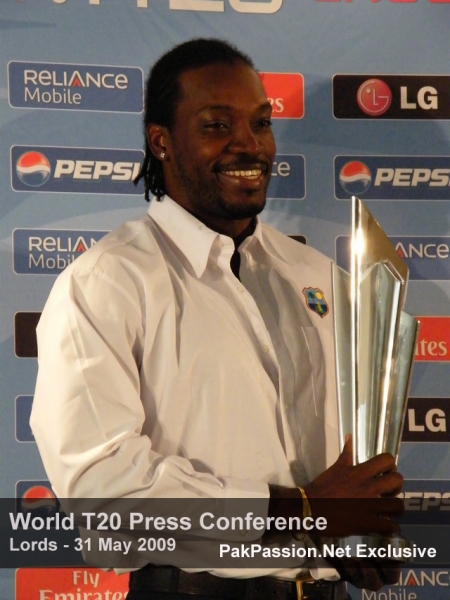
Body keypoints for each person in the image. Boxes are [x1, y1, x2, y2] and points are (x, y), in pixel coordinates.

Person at [31, 38, 404, 600]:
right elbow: (102, 490)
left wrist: (357, 538)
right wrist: (298, 513)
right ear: (161, 142)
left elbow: (341, 469)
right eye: (216, 125)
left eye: (260, 123)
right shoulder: (106, 282)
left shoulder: (316, 275)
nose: (248, 145)